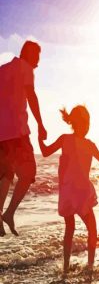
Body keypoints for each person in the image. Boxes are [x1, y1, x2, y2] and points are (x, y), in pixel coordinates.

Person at [38, 105, 99, 274]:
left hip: (67, 192)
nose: (87, 127)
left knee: (70, 228)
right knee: (91, 228)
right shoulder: (87, 144)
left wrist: (39, 136)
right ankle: (89, 266)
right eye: (85, 123)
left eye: (88, 123)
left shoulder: (65, 139)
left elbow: (44, 151)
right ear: (77, 123)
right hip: (80, 192)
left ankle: (66, 268)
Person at [0, 40, 47, 237]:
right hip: (17, 133)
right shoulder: (26, 68)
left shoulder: (3, 70)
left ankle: (0, 215)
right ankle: (9, 213)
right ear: (29, 54)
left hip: (1, 135)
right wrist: (40, 124)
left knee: (6, 175)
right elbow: (31, 95)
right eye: (37, 56)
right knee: (28, 173)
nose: (38, 60)